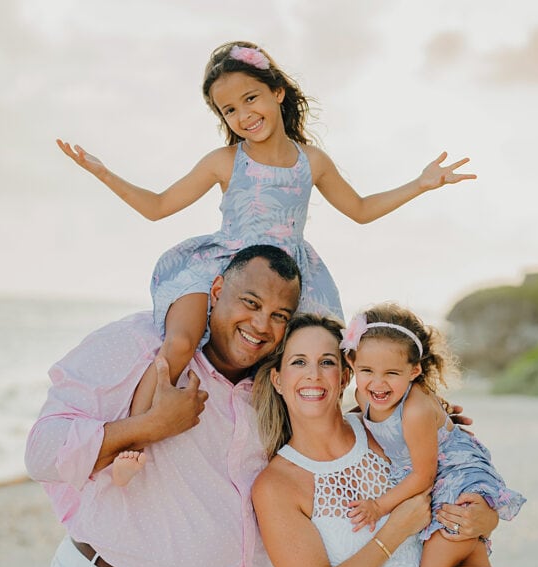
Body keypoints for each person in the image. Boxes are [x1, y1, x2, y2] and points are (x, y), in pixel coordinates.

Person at [25, 245, 486, 567]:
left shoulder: (270, 389)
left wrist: (416, 421)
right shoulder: (144, 344)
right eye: (250, 302)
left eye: (279, 316)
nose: (261, 324)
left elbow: (329, 433)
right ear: (217, 289)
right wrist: (151, 425)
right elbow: (42, 452)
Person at [56, 40, 476, 485]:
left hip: (289, 276)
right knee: (179, 344)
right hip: (228, 267)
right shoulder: (225, 161)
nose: (242, 115)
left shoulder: (310, 161)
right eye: (229, 111)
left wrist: (421, 184)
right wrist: (104, 173)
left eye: (250, 99)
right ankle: (132, 442)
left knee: (327, 364)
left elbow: (361, 209)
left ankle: (404, 423)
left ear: (277, 92)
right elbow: (158, 206)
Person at [251, 314, 515, 567]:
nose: (313, 375)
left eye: (327, 361)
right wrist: (394, 531)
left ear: (346, 374)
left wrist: (486, 518)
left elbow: (466, 483)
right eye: (298, 362)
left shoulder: (392, 430)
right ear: (278, 379)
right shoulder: (276, 486)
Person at [340, 303, 538, 567]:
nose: (378, 382)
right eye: (367, 370)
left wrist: (379, 505)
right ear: (353, 363)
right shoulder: (367, 400)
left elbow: (422, 476)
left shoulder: (417, 408)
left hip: (457, 480)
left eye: (392, 372)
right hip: (442, 482)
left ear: (415, 370)